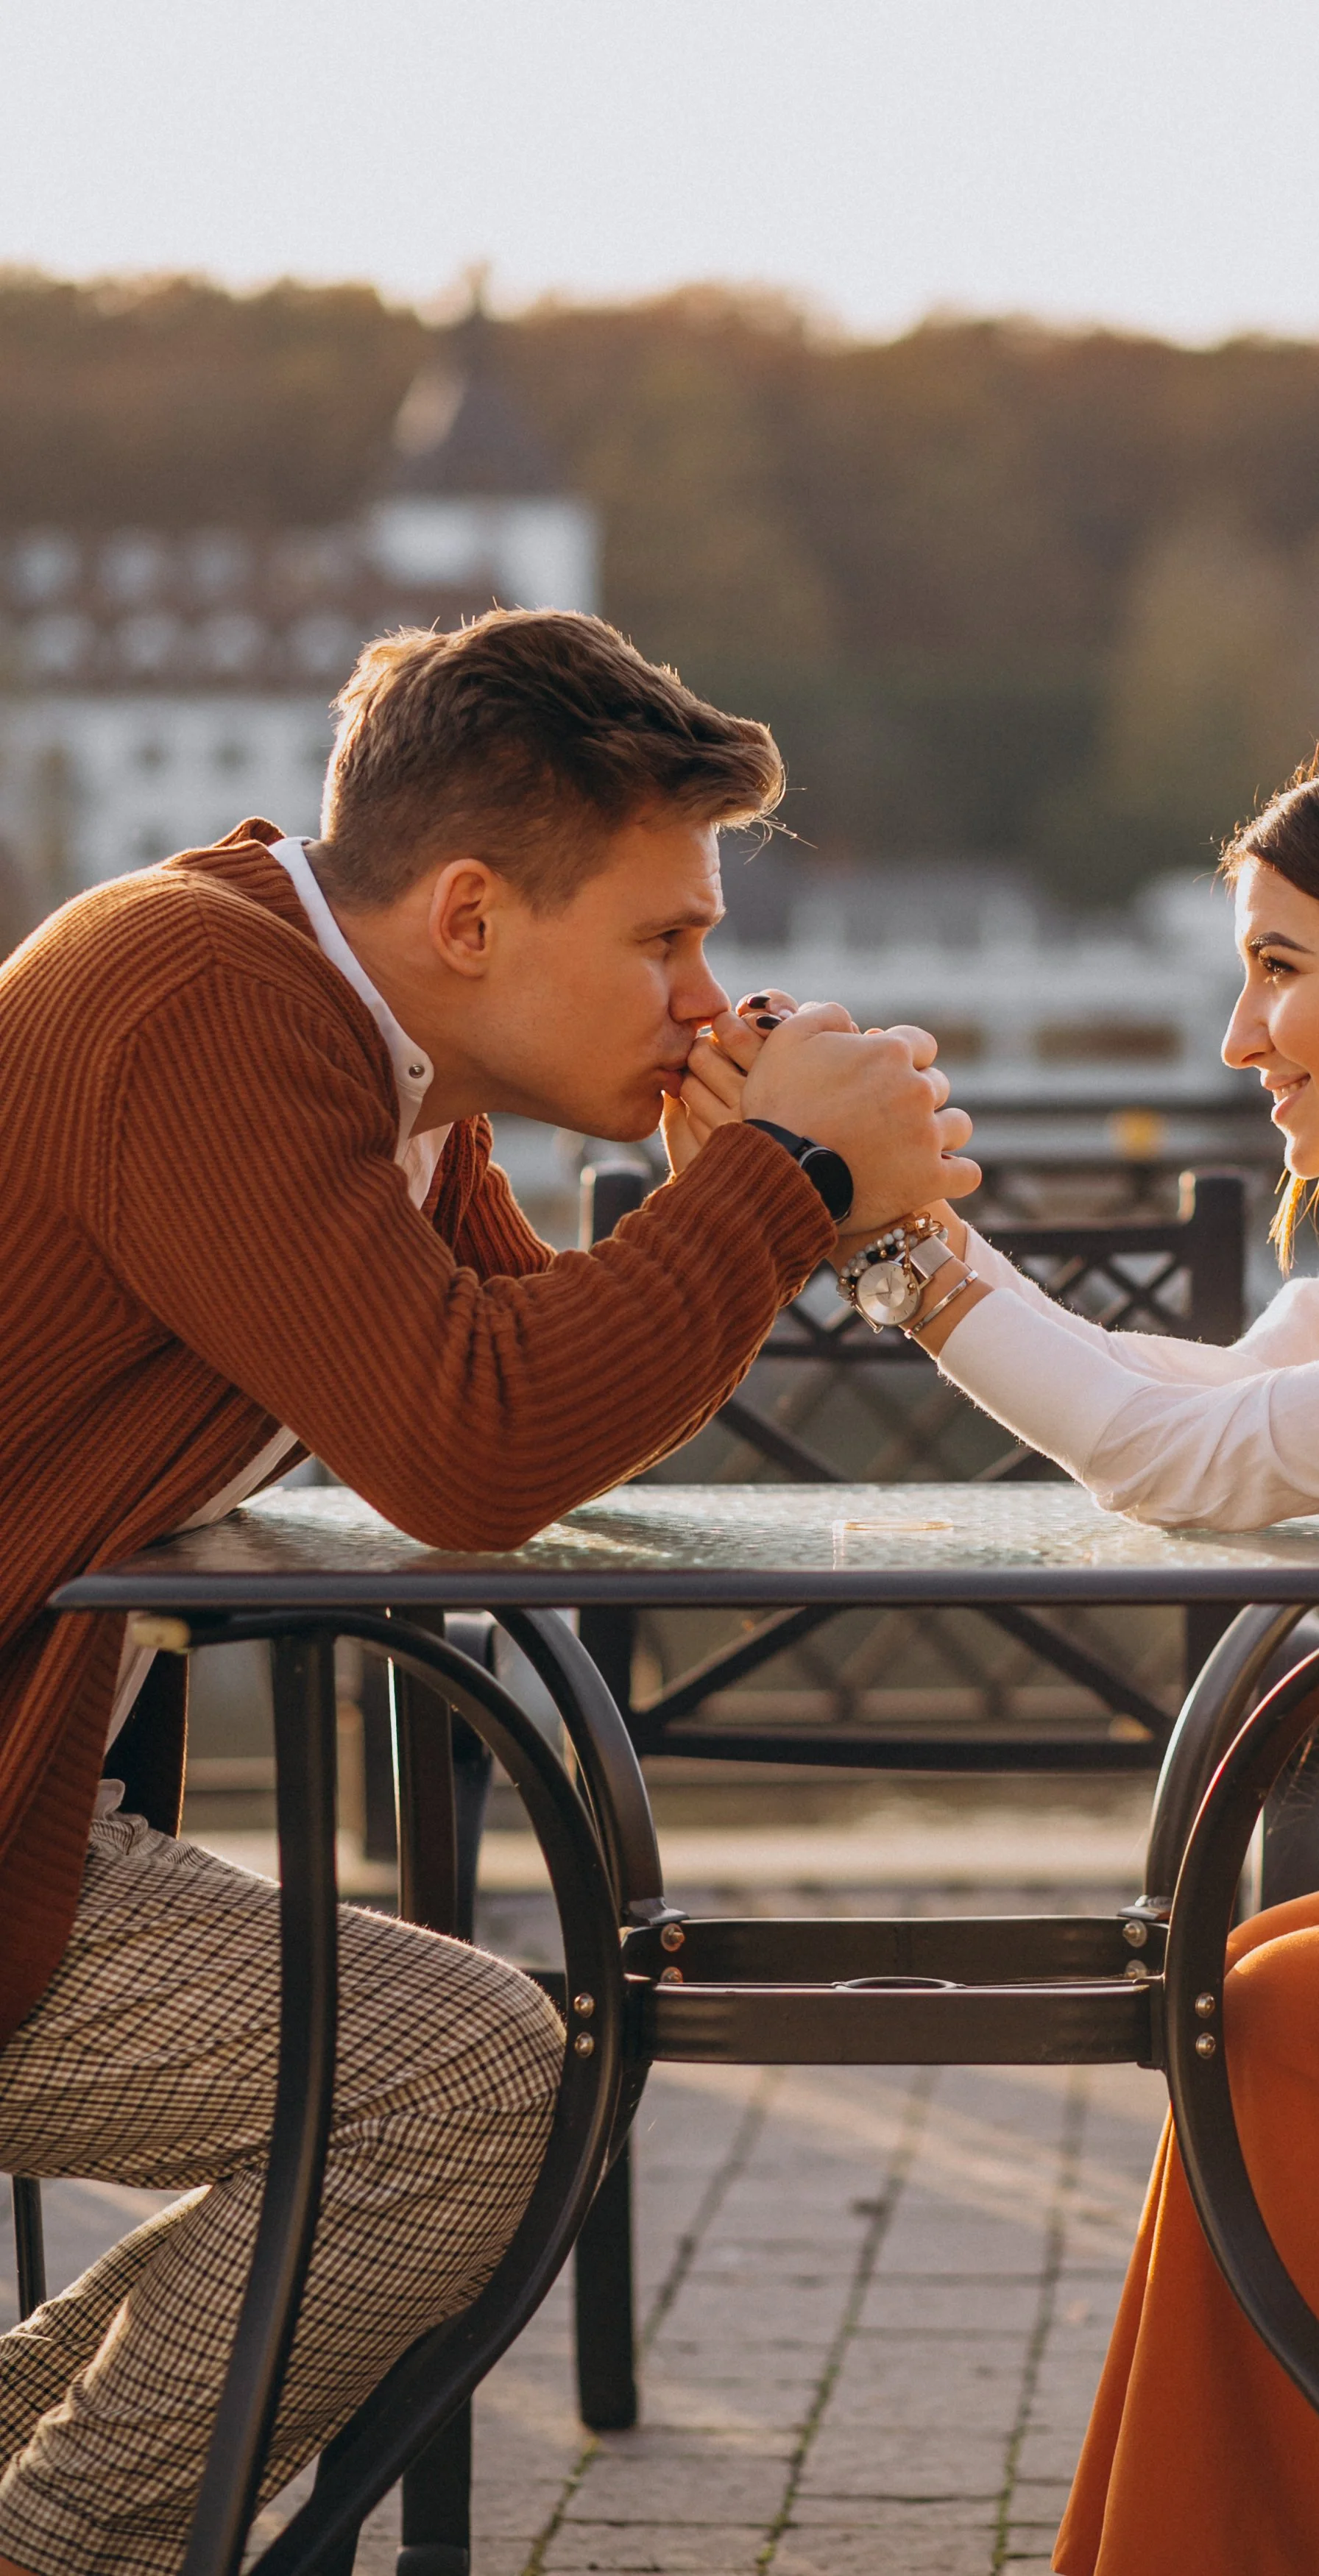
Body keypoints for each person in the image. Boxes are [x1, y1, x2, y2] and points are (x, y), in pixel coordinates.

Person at [0, 605, 977, 2576]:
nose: (703, 997)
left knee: (460, 2067)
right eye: (659, 940)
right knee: (459, 2087)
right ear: (467, 917)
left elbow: (525, 1378)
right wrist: (774, 1179)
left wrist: (742, 1176)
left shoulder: (369, 1055)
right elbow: (469, 1445)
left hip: (34, 1816)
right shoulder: (208, 1000)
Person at [684, 719, 1319, 2573]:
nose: (1238, 1039)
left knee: (1294, 2020)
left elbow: (1189, 1465)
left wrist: (900, 1249)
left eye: (1277, 967)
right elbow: (1219, 1402)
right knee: (1271, 1984)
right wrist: (886, 1236)